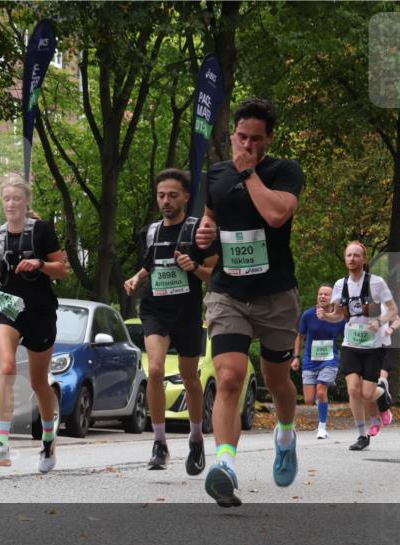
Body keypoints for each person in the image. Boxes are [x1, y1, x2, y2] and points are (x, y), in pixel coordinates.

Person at [194, 98, 305, 507]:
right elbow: (210, 219)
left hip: (276, 294)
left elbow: (277, 216)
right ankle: (224, 466)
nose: (248, 145)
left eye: (256, 140)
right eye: (241, 137)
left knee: (277, 380)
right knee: (228, 377)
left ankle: (286, 433)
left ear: (269, 139)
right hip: (229, 293)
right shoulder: (215, 176)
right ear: (231, 135)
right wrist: (206, 232)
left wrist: (250, 173)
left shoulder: (285, 172)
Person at [0, 173, 69, 473]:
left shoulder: (42, 231)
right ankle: (2, 446)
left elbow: (62, 269)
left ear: (26, 202)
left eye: (17, 199)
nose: (11, 204)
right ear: (2, 201)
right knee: (7, 367)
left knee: (38, 382)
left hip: (39, 309)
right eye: (7, 199)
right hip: (7, 306)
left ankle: (48, 438)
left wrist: (40, 264)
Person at [124, 169, 218, 474]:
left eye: (173, 195)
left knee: (191, 377)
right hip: (155, 309)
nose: (166, 201)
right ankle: (160, 442)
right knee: (154, 369)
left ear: (186, 198)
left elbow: (213, 274)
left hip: (187, 312)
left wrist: (193, 267)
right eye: (161, 195)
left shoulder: (196, 231)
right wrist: (136, 277)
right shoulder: (150, 232)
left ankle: (195, 439)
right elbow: (149, 264)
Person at [317, 241, 399, 451]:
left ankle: (382, 395)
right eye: (348, 255)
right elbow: (339, 315)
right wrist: (326, 316)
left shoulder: (376, 283)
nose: (351, 259)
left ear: (364, 259)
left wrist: (379, 322)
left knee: (367, 394)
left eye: (356, 255)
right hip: (351, 343)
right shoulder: (339, 285)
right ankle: (362, 435)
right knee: (353, 390)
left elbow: (392, 310)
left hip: (374, 345)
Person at [292, 284, 346, 439]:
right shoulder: (308, 315)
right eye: (320, 294)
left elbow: (347, 334)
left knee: (321, 391)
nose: (323, 296)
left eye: (327, 295)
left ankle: (322, 427)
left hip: (329, 360)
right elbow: (299, 335)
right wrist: (296, 357)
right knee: (309, 400)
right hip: (310, 360)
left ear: (332, 298)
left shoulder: (338, 317)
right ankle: (322, 402)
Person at [376, 315, 400, 427]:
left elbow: (397, 319)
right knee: (367, 387)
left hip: (383, 346)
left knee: (380, 381)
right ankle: (376, 416)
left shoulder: (385, 303)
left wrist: (391, 329)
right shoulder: (360, 302)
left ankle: (384, 410)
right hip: (364, 348)